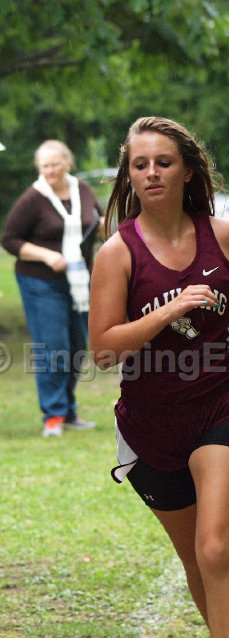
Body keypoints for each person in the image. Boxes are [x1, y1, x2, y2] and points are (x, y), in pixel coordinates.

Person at [88, 116, 229, 638]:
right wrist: (169, 308)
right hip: (150, 424)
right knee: (197, 563)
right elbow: (103, 348)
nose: (152, 172)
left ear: (187, 171)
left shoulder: (223, 235)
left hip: (227, 403)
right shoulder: (117, 253)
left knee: (218, 548)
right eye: (140, 164)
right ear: (129, 176)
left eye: (164, 162)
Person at [2, 139, 102, 437]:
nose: (50, 171)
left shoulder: (81, 189)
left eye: (55, 165)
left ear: (67, 163)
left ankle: (68, 412)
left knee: (77, 346)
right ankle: (54, 416)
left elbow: (96, 221)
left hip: (78, 281)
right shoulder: (33, 198)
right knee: (54, 348)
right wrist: (47, 256)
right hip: (40, 281)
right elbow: (9, 240)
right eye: (44, 166)